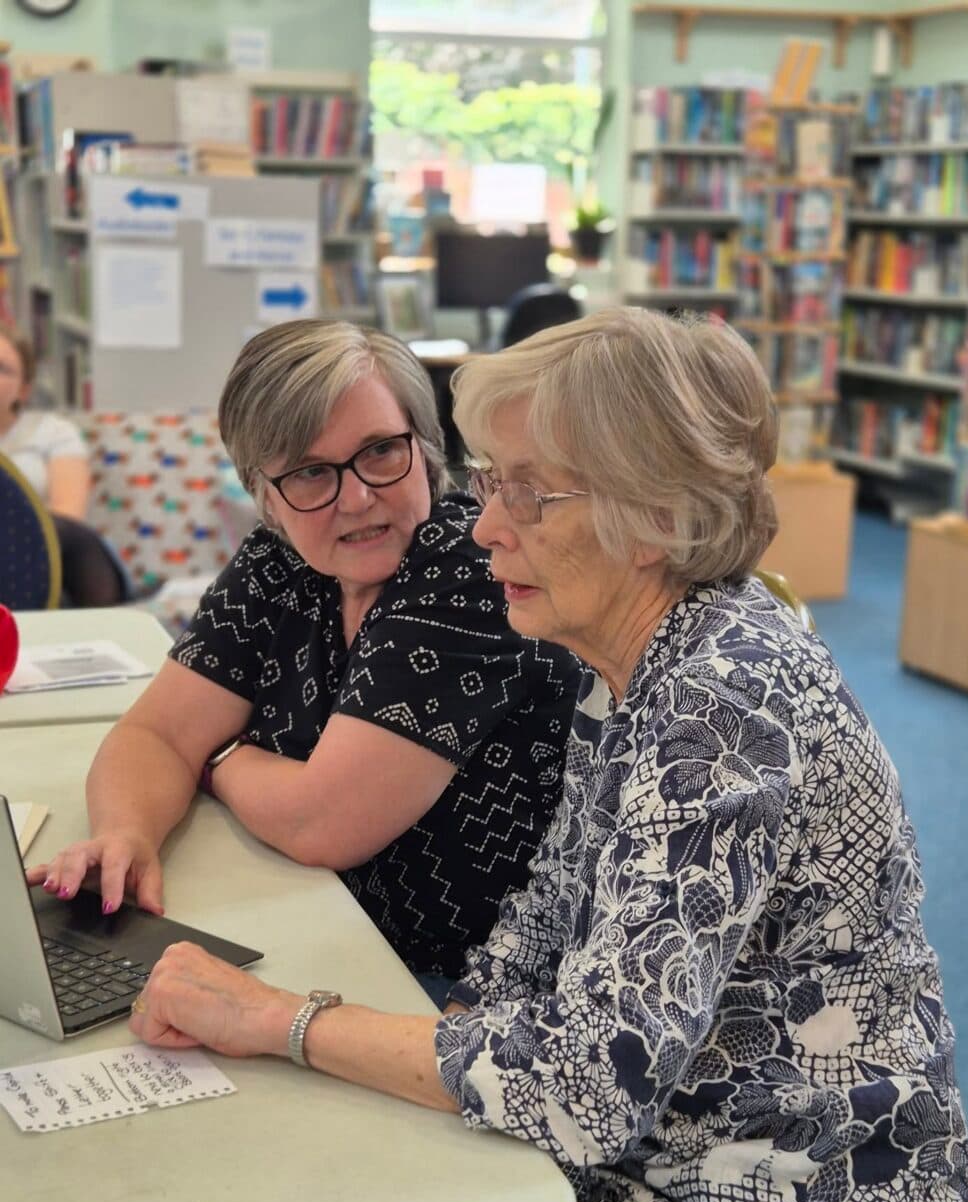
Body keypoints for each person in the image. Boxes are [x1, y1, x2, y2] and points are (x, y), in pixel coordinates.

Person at [119, 309, 968, 1202]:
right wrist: (432, 1033)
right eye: (489, 482)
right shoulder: (626, 658)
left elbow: (584, 1085)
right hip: (655, 1179)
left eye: (530, 493)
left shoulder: (718, 710)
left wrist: (281, 1018)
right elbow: (542, 917)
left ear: (654, 519)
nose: (483, 529)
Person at [29, 319, 580, 987]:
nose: (356, 496)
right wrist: (126, 833)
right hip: (327, 936)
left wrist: (220, 754)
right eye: (311, 473)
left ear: (426, 446)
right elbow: (155, 733)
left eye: (381, 450)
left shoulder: (469, 568)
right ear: (265, 494)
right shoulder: (278, 563)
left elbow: (324, 822)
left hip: (460, 992)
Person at [0, 322, 125, 606]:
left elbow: (68, 514)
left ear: (24, 389)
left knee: (60, 530)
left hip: (53, 560)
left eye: (2, 369)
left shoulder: (52, 432)